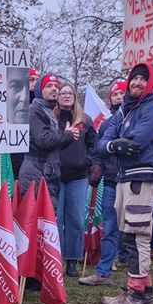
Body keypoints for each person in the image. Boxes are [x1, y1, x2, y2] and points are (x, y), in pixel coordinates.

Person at [97, 63, 153, 304]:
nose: (137, 82)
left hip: (143, 176)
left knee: (137, 234)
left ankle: (135, 294)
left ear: (150, 83)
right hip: (125, 176)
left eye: (143, 79)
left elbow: (136, 142)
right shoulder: (126, 110)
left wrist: (113, 145)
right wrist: (114, 145)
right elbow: (103, 139)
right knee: (128, 233)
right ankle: (145, 290)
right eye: (134, 78)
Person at [79, 80, 128, 286]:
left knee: (135, 230)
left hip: (133, 181)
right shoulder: (107, 125)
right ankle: (104, 272)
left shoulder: (139, 118)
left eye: (122, 93)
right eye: (115, 94)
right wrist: (95, 170)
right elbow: (98, 151)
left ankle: (136, 276)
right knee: (109, 227)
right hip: (110, 182)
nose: (119, 97)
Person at [53, 82, 96, 277]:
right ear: (58, 97)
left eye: (70, 92)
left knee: (76, 220)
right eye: (63, 93)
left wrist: (87, 161)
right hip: (56, 175)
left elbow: (93, 144)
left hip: (78, 176)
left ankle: (72, 260)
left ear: (75, 96)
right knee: (57, 220)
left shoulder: (85, 120)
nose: (67, 95)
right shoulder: (51, 118)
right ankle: (56, 259)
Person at [21, 73, 76, 209]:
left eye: (56, 86)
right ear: (40, 90)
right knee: (36, 222)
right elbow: (43, 140)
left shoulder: (48, 111)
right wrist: (67, 135)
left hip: (46, 174)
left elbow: (53, 148)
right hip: (36, 175)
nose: (54, 89)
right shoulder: (35, 110)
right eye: (49, 86)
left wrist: (67, 138)